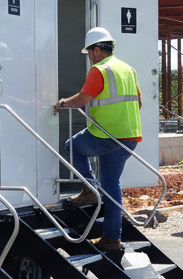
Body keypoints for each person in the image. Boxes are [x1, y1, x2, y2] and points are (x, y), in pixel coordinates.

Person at [55, 27, 143, 251]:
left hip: (106, 134)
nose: (90, 58)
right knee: (112, 185)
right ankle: (112, 238)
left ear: (96, 50)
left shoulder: (100, 70)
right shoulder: (128, 69)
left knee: (72, 145)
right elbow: (138, 103)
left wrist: (62, 103)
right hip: (129, 137)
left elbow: (82, 99)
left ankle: (89, 189)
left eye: (90, 53)